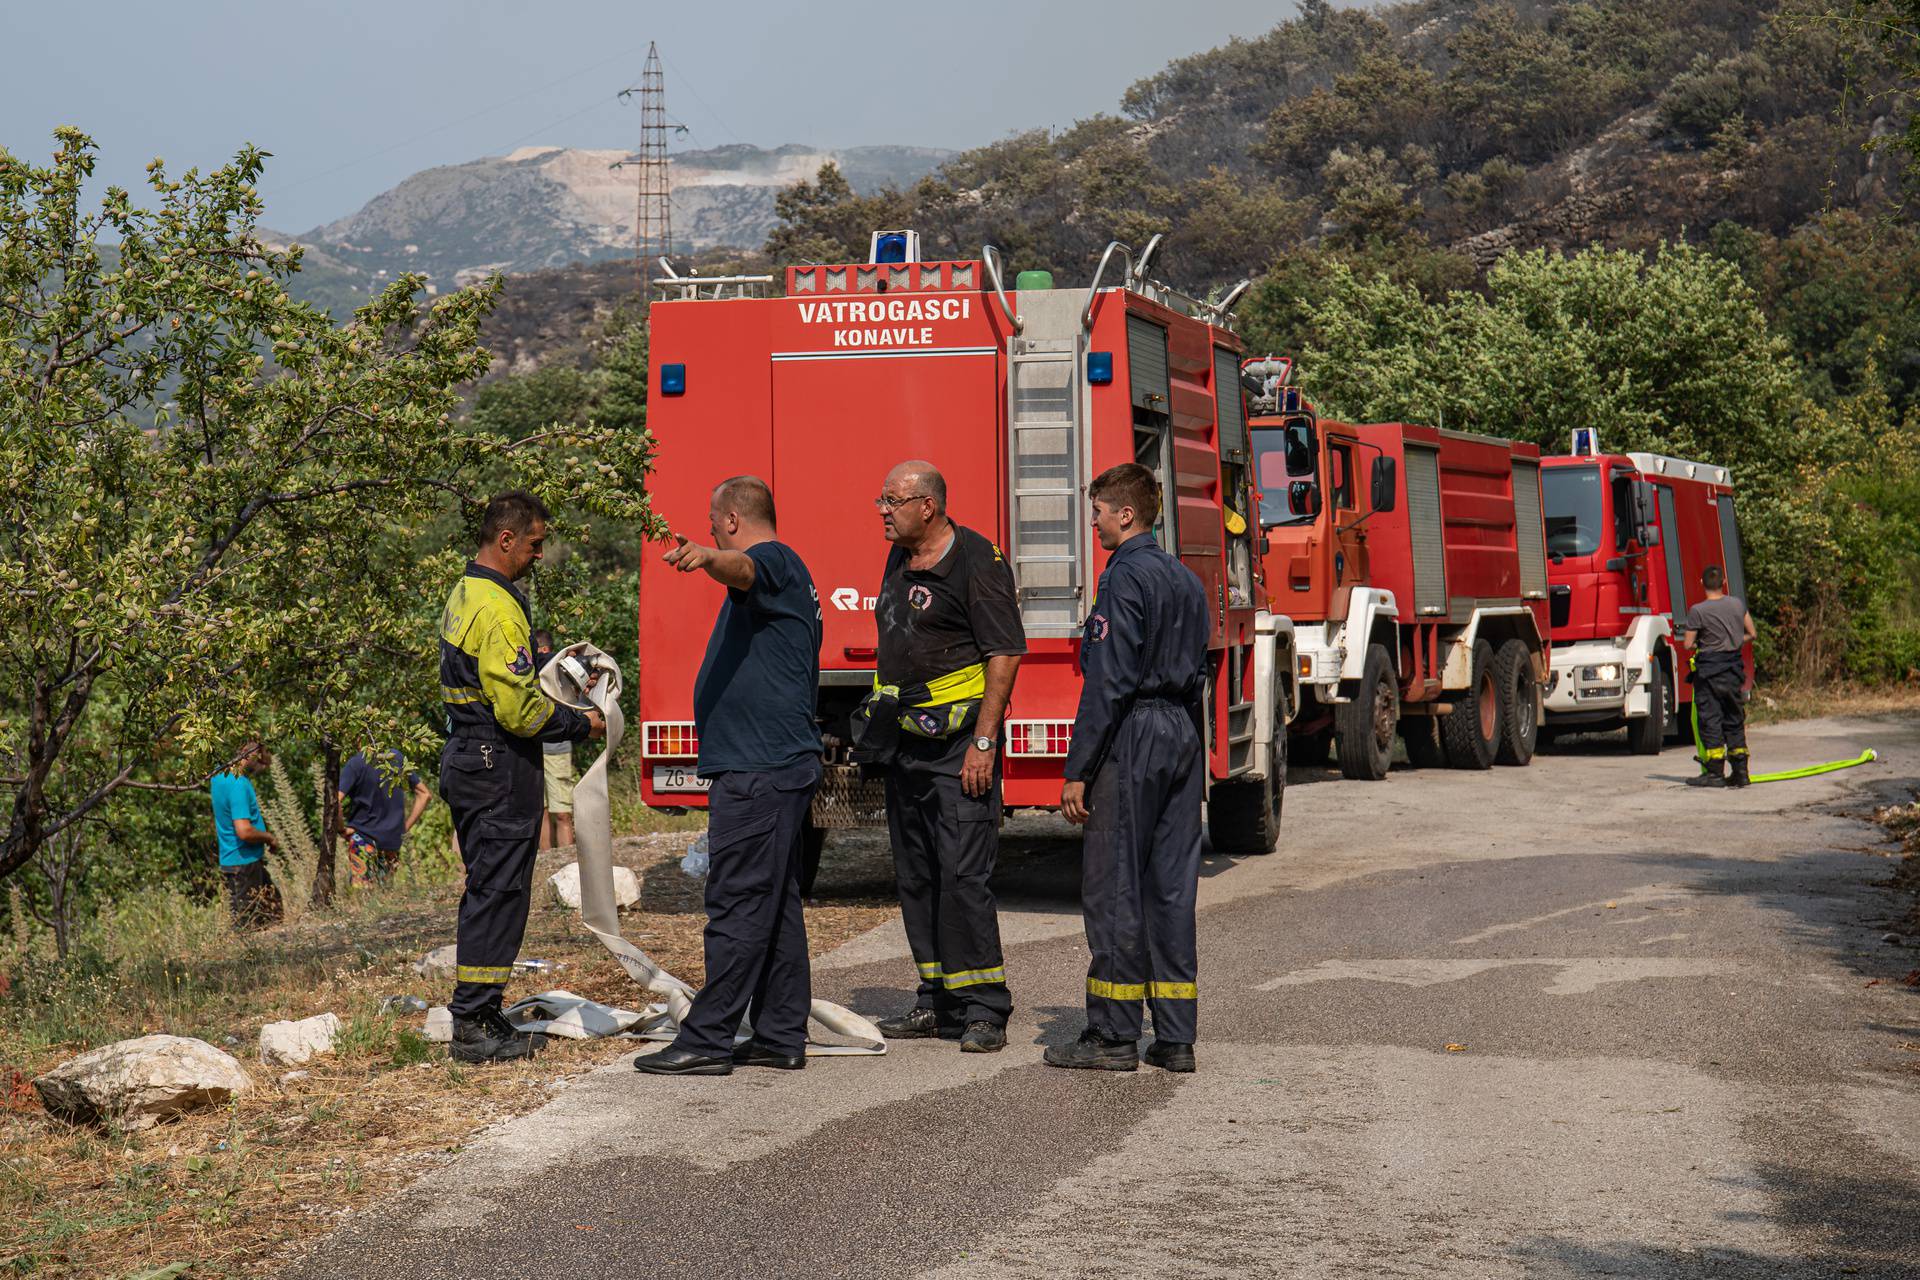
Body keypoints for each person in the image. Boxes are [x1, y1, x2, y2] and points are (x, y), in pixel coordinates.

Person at [634, 476, 824, 1076]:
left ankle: (708, 1038)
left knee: (739, 902)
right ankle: (778, 1034)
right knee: (775, 906)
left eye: (715, 522)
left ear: (734, 520)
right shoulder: (785, 569)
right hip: (773, 767)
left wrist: (707, 556)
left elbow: (740, 569)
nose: (712, 528)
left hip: (759, 770)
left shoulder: (770, 562)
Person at [1048, 463, 1210, 1074]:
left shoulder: (1123, 578)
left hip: (1135, 731)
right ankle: (1175, 1037)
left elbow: (1108, 683)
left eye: (1096, 512)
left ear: (1124, 514)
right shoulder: (1185, 579)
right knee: (1171, 889)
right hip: (1181, 733)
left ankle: (1113, 1034)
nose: (1091, 523)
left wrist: (1078, 769)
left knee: (1115, 887)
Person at [438, 490, 605, 1063]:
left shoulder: (465, 591)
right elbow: (519, 710)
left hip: (468, 755)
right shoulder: (499, 609)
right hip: (496, 763)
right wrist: (582, 724)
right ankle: (475, 1021)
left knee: (490, 886)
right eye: (534, 544)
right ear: (506, 539)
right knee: (501, 891)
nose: (539, 554)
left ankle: (478, 1011)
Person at [867, 460, 1025, 1054]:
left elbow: (1004, 654)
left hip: (961, 750)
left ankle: (985, 1008)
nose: (882, 510)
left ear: (927, 506)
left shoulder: (978, 561)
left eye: (892, 500)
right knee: (917, 875)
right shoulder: (900, 558)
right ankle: (936, 999)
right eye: (881, 500)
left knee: (963, 877)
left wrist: (984, 742)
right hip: (905, 746)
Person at [1683, 564, 1756, 788]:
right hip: (1733, 671)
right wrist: (1733, 641)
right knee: (1734, 719)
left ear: (1702, 584)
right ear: (1723, 582)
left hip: (1709, 673)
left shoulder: (1698, 611)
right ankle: (1741, 772)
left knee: (1711, 720)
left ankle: (1715, 773)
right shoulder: (1737, 604)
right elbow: (1752, 633)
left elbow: (1687, 644)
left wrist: (1705, 645)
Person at [210, 741, 282, 931]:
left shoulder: (218, 775)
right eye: (263, 752)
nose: (266, 760)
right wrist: (270, 838)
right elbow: (244, 831)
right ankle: (251, 959)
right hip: (244, 864)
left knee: (273, 911)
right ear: (248, 751)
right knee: (247, 926)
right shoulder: (238, 784)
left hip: (235, 860)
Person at [337, 749, 431, 888]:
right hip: (392, 843)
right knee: (384, 896)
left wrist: (341, 829)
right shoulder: (397, 758)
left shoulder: (356, 763)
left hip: (363, 841)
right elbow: (424, 794)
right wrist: (403, 829)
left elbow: (335, 801)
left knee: (362, 898)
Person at [532, 629, 578, 851]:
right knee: (538, 810)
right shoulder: (527, 670)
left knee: (562, 812)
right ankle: (545, 858)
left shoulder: (559, 669)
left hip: (557, 748)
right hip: (532, 748)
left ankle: (566, 860)